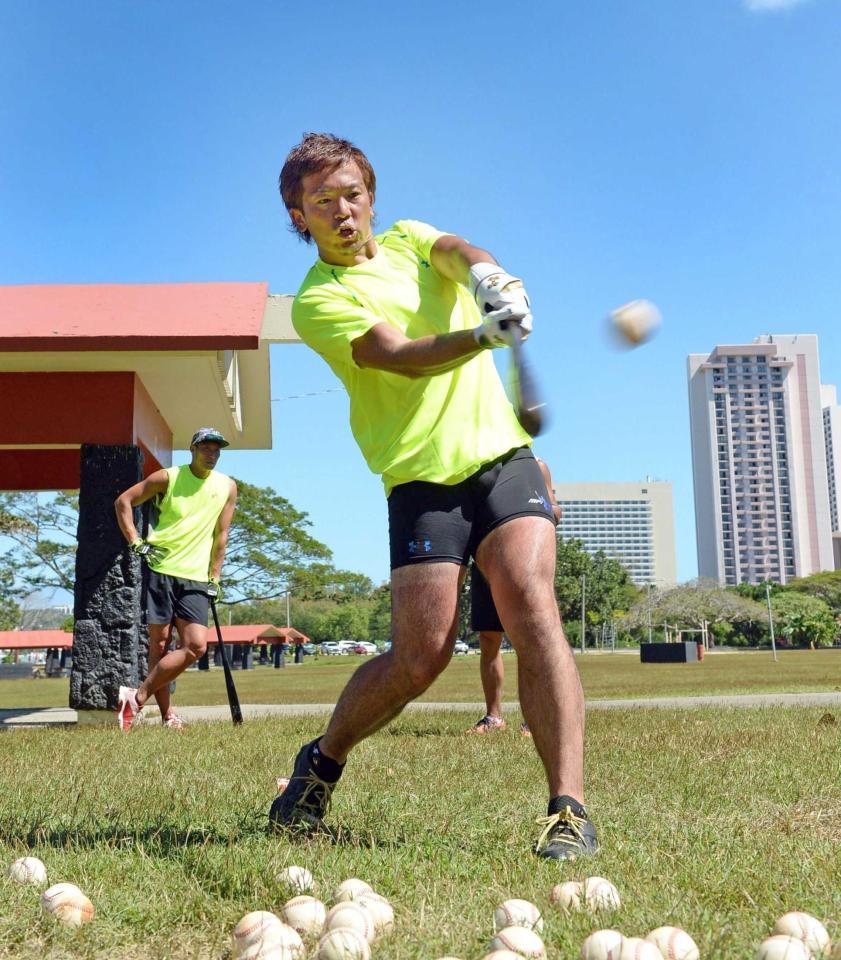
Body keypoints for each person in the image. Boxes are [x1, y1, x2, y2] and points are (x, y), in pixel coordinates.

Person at [270, 133, 597, 861]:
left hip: (503, 460)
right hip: (421, 481)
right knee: (419, 659)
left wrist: (491, 276)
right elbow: (395, 356)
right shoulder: (318, 301)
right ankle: (322, 761)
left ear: (370, 196)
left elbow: (451, 247)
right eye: (321, 201)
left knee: (530, 604)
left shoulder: (411, 238)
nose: (341, 210)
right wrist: (482, 334)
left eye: (351, 193)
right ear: (299, 216)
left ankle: (566, 809)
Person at [113, 427, 237, 731]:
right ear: (192, 449)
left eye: (217, 449)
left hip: (196, 578)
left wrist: (216, 575)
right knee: (160, 644)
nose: (212, 454)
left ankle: (136, 697)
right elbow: (123, 502)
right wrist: (135, 542)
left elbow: (222, 534)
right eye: (206, 448)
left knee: (196, 647)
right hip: (162, 570)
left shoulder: (227, 486)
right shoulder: (167, 477)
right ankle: (168, 716)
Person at [466, 459, 562, 738]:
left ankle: (534, 719)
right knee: (489, 642)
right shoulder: (476, 466)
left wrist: (541, 511)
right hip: (485, 560)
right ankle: (493, 716)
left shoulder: (538, 466)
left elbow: (556, 510)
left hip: (525, 561)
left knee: (529, 641)